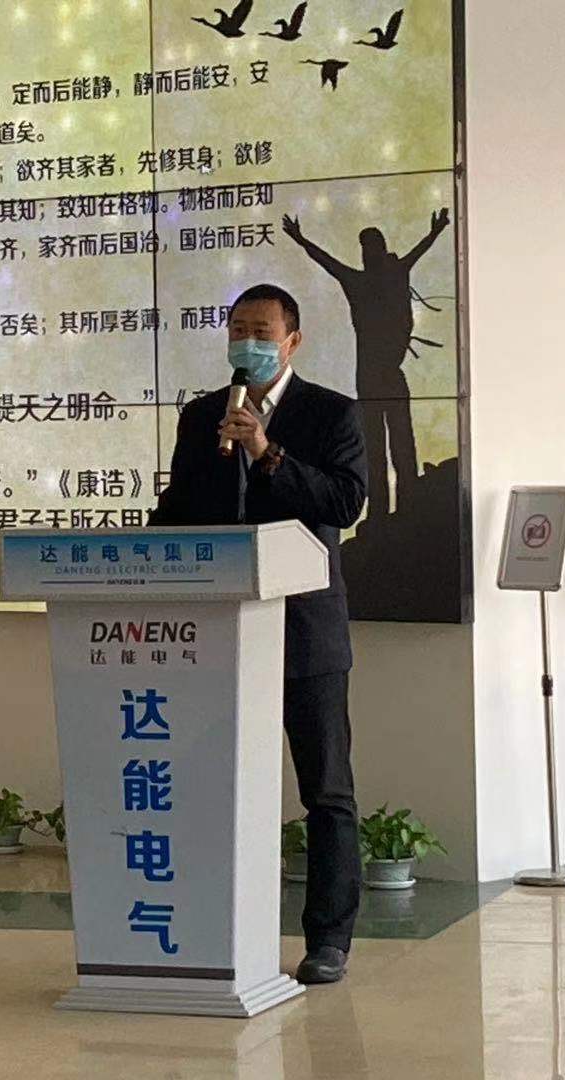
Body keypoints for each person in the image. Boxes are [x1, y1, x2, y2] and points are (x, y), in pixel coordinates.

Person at [148, 283, 367, 985]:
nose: (248, 341)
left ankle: (328, 939)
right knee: (211, 785)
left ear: (292, 341)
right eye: (237, 328)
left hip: (305, 631)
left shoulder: (331, 413)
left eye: (261, 330)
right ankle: (214, 926)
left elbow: (345, 502)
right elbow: (182, 506)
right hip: (218, 630)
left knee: (325, 791)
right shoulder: (202, 416)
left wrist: (267, 451)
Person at [282, 209, 449, 518]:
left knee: (398, 443)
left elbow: (329, 261)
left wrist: (436, 232)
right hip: (374, 377)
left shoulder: (379, 277)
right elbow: (326, 261)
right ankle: (383, 513)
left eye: (371, 246)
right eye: (366, 247)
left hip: (381, 376)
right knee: (380, 446)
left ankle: (401, 509)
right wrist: (300, 239)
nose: (368, 253)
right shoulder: (370, 279)